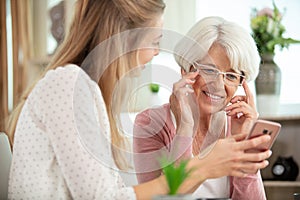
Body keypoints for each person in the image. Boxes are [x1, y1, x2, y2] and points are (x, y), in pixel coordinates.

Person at [6, 1, 272, 199]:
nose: (157, 53)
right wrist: (201, 167)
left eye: (232, 76)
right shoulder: (67, 84)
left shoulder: (86, 93)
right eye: (155, 41)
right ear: (125, 37)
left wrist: (242, 152)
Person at [133, 16, 267, 199]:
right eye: (210, 70)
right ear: (185, 70)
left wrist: (242, 144)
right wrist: (185, 127)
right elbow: (164, 196)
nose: (218, 85)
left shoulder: (237, 125)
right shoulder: (150, 123)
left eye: (231, 76)